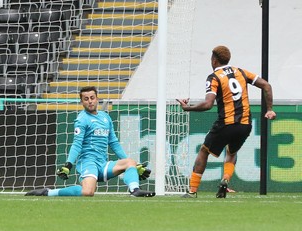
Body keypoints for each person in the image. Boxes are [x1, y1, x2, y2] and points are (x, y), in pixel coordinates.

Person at [176, 45, 276, 198]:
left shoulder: (214, 77)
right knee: (232, 151)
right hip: (245, 124)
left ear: (214, 60)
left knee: (204, 151)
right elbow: (266, 86)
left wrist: (187, 108)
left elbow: (208, 104)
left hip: (226, 123)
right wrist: (269, 109)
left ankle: (192, 191)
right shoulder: (241, 72)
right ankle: (225, 180)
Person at [26, 86, 155, 197]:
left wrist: (134, 166)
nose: (90, 101)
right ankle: (48, 192)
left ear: (97, 99)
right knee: (88, 192)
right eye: (86, 99)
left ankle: (135, 190)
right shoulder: (82, 119)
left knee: (130, 162)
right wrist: (68, 165)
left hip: (103, 164)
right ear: (82, 102)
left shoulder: (105, 117)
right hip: (88, 163)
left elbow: (114, 143)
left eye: (92, 98)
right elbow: (77, 143)